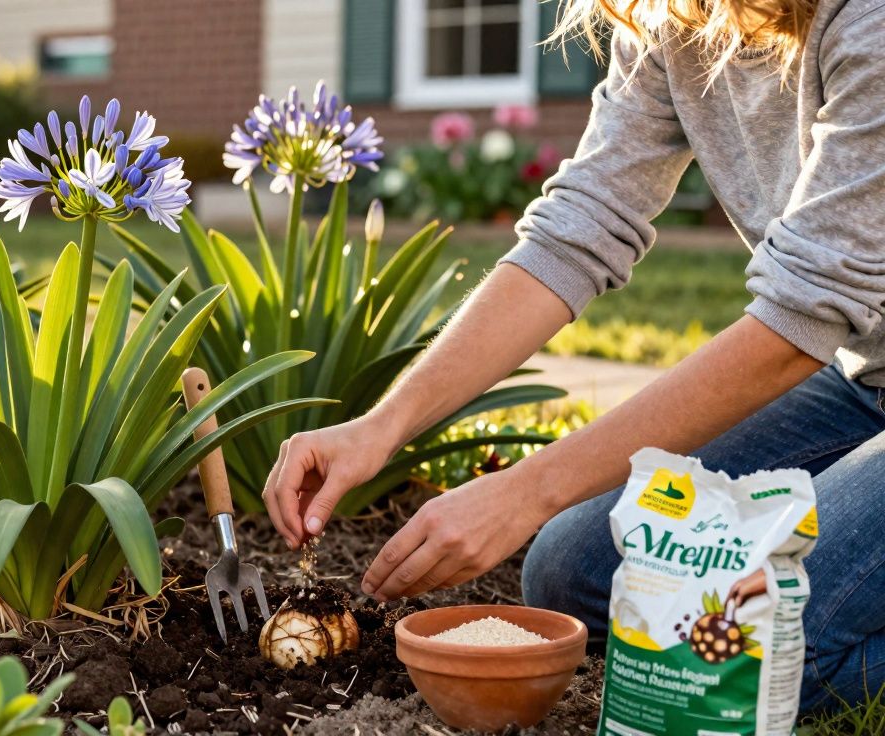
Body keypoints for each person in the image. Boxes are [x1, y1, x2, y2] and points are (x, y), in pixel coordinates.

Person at [261, 0, 885, 713]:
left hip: (829, 348)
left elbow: (798, 319)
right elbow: (577, 230)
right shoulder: (677, 16)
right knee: (575, 571)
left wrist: (526, 491)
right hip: (863, 382)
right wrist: (382, 424)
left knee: (729, 658)